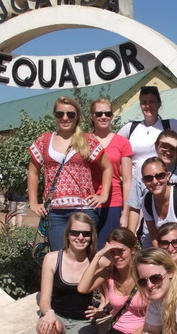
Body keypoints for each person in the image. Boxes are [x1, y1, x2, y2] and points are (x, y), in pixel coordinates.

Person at [28, 96, 113, 251]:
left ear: (77, 117)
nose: (65, 118)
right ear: (55, 116)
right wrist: (33, 202)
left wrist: (103, 195)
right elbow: (33, 172)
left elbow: (107, 167)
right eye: (60, 114)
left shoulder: (87, 140)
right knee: (59, 258)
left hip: (84, 210)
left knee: (86, 259)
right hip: (55, 213)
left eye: (70, 114)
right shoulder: (44, 140)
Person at [36, 213, 98, 334]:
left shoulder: (95, 262)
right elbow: (44, 300)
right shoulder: (52, 259)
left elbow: (109, 294)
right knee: (44, 329)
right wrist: (49, 313)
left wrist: (103, 309)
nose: (80, 237)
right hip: (59, 318)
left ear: (91, 236)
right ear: (67, 235)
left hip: (82, 323)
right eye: (75, 232)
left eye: (85, 233)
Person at [78, 227, 146, 334]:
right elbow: (83, 288)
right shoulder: (109, 272)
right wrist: (98, 256)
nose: (116, 257)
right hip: (118, 328)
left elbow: (159, 308)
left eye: (121, 251)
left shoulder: (144, 272)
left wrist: (141, 331)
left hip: (143, 328)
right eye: (112, 252)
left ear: (133, 250)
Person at [89, 97, 133, 245]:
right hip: (87, 202)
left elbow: (127, 181)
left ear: (112, 116)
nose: (103, 117)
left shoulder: (122, 142)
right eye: (99, 113)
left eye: (107, 114)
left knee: (109, 249)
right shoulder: (83, 140)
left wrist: (125, 213)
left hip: (113, 202)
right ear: (92, 116)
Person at [126, 130, 177, 248]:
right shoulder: (143, 170)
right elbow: (135, 207)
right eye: (164, 146)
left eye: (172, 148)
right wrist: (130, 242)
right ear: (156, 147)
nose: (168, 151)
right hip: (151, 236)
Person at [117, 86, 177, 173]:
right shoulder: (130, 128)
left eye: (151, 102)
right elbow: (113, 149)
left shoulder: (170, 124)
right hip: (136, 182)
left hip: (162, 180)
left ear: (159, 103)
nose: (148, 106)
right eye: (144, 102)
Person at [140, 156, 177, 246]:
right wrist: (162, 258)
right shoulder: (146, 200)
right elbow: (154, 237)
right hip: (166, 252)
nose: (155, 181)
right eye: (148, 178)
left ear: (167, 176)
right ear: (143, 181)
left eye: (159, 176)